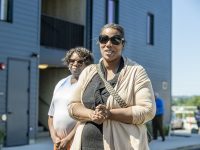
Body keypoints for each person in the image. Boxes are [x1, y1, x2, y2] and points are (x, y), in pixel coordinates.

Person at [68, 23, 156, 150]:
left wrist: (109, 114)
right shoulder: (88, 71)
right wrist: (92, 115)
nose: (108, 44)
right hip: (84, 145)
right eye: (104, 39)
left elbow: (148, 110)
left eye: (115, 40)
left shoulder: (136, 71)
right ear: (99, 42)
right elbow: (73, 105)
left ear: (123, 44)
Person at [48, 47, 94, 150]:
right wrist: (53, 136)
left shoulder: (88, 85)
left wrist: (68, 138)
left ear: (87, 64)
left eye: (80, 61)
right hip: (58, 142)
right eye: (72, 60)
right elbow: (51, 115)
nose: (75, 64)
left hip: (77, 141)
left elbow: (85, 117)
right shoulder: (60, 83)